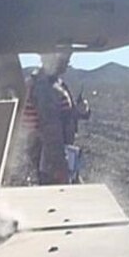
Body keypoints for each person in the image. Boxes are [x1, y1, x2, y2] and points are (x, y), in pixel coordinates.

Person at [19, 51, 90, 185]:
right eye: (65, 56)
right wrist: (58, 167)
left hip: (50, 158)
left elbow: (59, 117)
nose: (68, 61)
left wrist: (78, 112)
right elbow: (50, 130)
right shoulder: (45, 87)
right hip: (48, 160)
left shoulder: (53, 83)